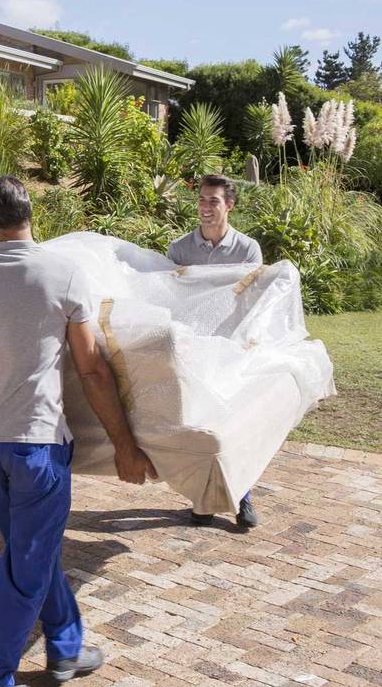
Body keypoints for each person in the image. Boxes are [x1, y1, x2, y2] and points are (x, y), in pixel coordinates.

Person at [0, 176, 157, 686]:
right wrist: (125, 445)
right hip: (36, 445)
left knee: (32, 550)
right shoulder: (62, 274)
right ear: (29, 216)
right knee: (26, 569)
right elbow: (92, 369)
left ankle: (65, 647)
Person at [167, 174, 263, 529]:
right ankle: (203, 500)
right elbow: (173, 297)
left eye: (214, 202)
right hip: (192, 349)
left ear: (230, 206)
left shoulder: (247, 249)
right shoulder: (180, 249)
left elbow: (248, 300)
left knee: (233, 422)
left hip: (230, 348)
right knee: (201, 425)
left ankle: (243, 497)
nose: (206, 208)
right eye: (202, 200)